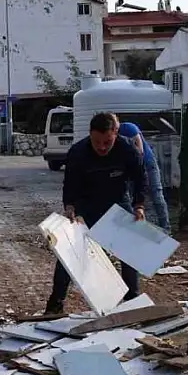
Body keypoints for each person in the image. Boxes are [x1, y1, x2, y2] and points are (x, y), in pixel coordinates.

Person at [45, 112, 147, 314]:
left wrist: (139, 205)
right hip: (86, 205)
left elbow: (140, 179)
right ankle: (54, 306)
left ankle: (132, 303)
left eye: (107, 142)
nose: (102, 147)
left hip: (118, 203)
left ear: (116, 133)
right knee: (68, 253)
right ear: (90, 134)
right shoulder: (78, 152)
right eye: (97, 142)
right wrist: (70, 206)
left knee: (129, 252)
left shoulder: (127, 150)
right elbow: (70, 184)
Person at [117, 122, 171, 232]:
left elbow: (140, 151)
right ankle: (144, 229)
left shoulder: (128, 128)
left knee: (156, 194)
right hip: (131, 167)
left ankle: (165, 228)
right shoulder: (112, 137)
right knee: (135, 198)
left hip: (147, 163)